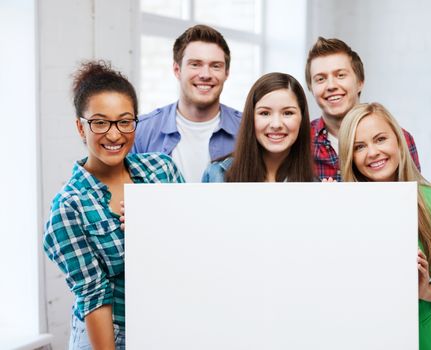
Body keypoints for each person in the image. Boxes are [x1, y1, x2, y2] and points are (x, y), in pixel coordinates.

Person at [43, 61, 184, 349]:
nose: (115, 134)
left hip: (164, 321)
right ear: (80, 128)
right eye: (99, 122)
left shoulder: (161, 170)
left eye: (124, 121)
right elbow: (95, 299)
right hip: (111, 333)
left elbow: (192, 238)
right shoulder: (69, 207)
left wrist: (157, 226)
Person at [338, 102, 431, 350]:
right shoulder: (340, 206)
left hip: (420, 337)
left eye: (380, 139)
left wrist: (425, 291)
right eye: (359, 146)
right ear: (350, 156)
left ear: (398, 140)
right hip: (357, 336)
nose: (372, 152)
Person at [132, 24, 242, 182]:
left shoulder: (248, 129)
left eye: (215, 66)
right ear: (177, 70)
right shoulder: (141, 132)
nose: (205, 75)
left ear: (226, 73)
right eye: (195, 64)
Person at [305, 37, 421, 181]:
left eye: (340, 75)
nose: (331, 86)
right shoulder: (301, 142)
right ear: (311, 88)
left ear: (360, 82)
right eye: (320, 79)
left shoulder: (400, 139)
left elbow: (412, 198)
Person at [202, 72, 315, 182]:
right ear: (251, 117)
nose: (276, 125)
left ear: (302, 117)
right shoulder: (216, 175)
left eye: (288, 113)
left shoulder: (314, 185)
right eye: (265, 113)